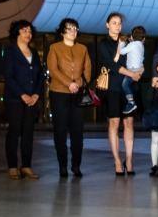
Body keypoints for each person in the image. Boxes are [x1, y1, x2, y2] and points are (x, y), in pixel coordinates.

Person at [46, 17, 91, 178]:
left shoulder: (83, 49)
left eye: (75, 29)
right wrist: (68, 83)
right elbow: (53, 70)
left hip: (77, 93)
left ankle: (76, 166)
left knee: (77, 132)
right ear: (62, 31)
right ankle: (63, 166)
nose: (73, 31)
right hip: (59, 93)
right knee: (60, 131)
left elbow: (87, 71)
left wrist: (77, 83)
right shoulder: (54, 48)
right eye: (70, 28)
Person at [1, 19, 43, 180]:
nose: (28, 33)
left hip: (32, 99)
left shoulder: (34, 53)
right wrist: (22, 94)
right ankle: (12, 166)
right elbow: (9, 77)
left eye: (30, 31)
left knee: (28, 133)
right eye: (24, 30)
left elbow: (40, 77)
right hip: (15, 99)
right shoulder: (10, 52)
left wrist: (36, 95)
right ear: (17, 33)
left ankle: (26, 166)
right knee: (14, 131)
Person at [97, 12, 136, 175]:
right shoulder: (103, 44)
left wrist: (136, 71)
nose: (117, 26)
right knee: (114, 123)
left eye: (119, 23)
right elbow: (111, 64)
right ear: (107, 25)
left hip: (128, 87)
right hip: (112, 88)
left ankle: (129, 159)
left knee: (129, 123)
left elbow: (135, 60)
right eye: (113, 22)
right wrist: (120, 50)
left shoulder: (128, 41)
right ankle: (117, 161)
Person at [116, 25, 146, 115]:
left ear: (132, 37)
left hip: (132, 70)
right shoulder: (141, 45)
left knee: (125, 85)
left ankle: (131, 102)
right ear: (143, 38)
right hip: (139, 69)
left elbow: (121, 52)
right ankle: (131, 102)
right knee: (128, 85)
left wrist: (121, 43)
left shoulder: (132, 44)